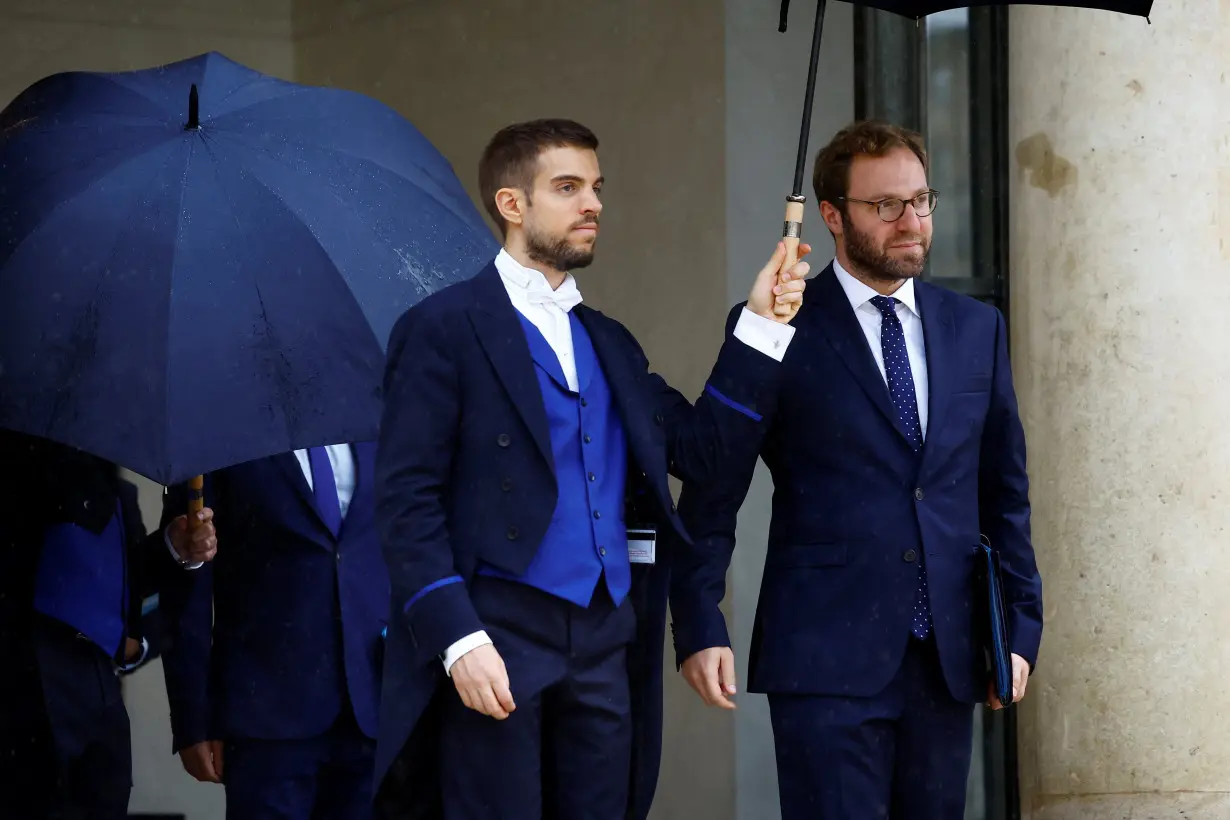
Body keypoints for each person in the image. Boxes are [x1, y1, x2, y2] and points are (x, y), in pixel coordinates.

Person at [372, 118, 809, 820]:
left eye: (597, 188)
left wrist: (761, 326)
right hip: (498, 630)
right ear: (513, 205)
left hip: (607, 633)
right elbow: (404, 500)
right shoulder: (443, 328)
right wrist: (456, 636)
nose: (593, 204)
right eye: (568, 187)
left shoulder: (608, 341)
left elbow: (700, 450)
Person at [669, 120, 1045, 820]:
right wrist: (697, 618)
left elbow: (1004, 491)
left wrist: (1020, 626)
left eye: (921, 200)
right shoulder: (778, 322)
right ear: (834, 216)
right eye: (886, 206)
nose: (911, 222)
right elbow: (716, 483)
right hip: (824, 654)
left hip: (950, 655)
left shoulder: (976, 328)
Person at [157, 442, 388, 819]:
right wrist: (192, 717)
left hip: (368, 707)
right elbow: (187, 584)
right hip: (266, 712)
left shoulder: (372, 419)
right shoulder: (220, 431)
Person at [0, 430, 213, 819]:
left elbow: (129, 586)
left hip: (99, 718)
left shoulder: (108, 483)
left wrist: (174, 548)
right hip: (23, 710)